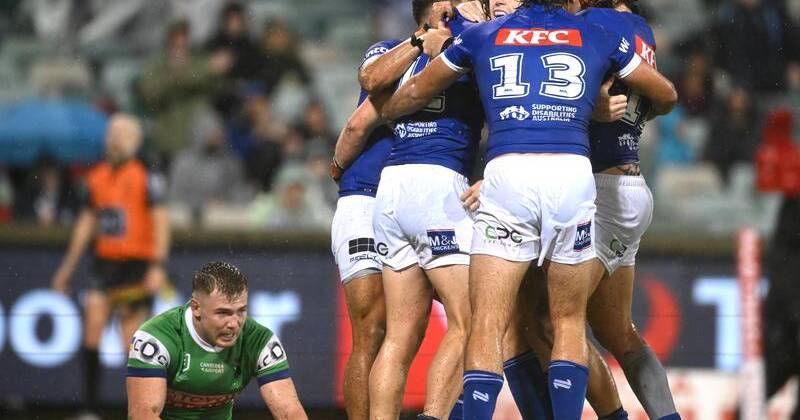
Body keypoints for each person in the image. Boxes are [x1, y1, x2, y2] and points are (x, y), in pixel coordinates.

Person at [379, 1, 677, 418]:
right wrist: (624, 109)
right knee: (569, 322)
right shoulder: (597, 34)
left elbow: (415, 91)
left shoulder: (485, 34)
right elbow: (667, 92)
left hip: (510, 171)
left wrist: (389, 114)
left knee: (489, 322)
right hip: (575, 175)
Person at [365, 1, 483, 418]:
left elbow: (365, 104)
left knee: (398, 338)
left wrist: (340, 163)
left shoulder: (395, 53)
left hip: (392, 188)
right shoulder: (473, 44)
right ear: (439, 8)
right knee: (470, 321)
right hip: (438, 186)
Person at [579, 1, 682, 419]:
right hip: (625, 182)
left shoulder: (597, 22)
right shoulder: (638, 27)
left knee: (547, 321)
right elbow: (661, 96)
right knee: (615, 330)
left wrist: (593, 111)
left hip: (604, 192)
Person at [51, 114, 170, 420]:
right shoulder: (97, 177)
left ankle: (145, 409)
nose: (114, 139)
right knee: (91, 330)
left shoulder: (146, 175)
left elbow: (161, 221)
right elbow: (86, 222)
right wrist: (67, 267)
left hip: (135, 267)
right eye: (112, 133)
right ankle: (90, 408)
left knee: (131, 341)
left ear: (136, 140)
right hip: (103, 265)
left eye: (122, 133)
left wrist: (157, 265)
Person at [126, 261, 307, 420]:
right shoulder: (156, 338)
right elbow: (143, 414)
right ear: (196, 308)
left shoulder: (259, 341)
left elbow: (289, 412)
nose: (234, 324)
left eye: (241, 311)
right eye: (223, 313)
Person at [329, 37, 397, 419]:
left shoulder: (475, 55)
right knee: (371, 328)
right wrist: (421, 43)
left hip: (423, 202)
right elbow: (361, 114)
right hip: (366, 197)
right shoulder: (389, 49)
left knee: (466, 316)